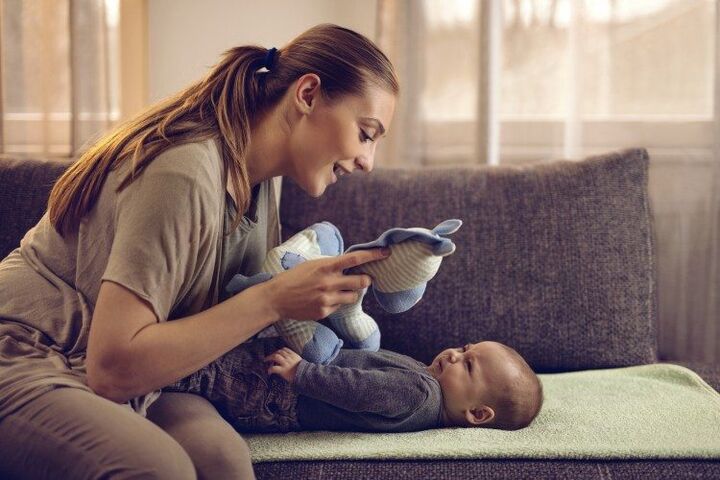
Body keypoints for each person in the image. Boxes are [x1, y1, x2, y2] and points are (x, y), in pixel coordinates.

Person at [0, 23, 398, 479]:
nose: (369, 162)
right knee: (160, 468)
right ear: (307, 94)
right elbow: (111, 369)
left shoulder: (262, 183)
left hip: (126, 376)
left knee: (224, 461)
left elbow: (217, 320)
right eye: (367, 133)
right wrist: (273, 301)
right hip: (26, 351)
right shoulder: (185, 172)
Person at [165, 337, 544, 433]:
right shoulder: (428, 381)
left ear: (477, 413)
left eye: (469, 365)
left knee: (207, 374)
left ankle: (144, 376)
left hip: (279, 394)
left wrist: (303, 373)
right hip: (284, 385)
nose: (455, 355)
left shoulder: (421, 396)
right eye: (465, 348)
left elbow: (358, 389)